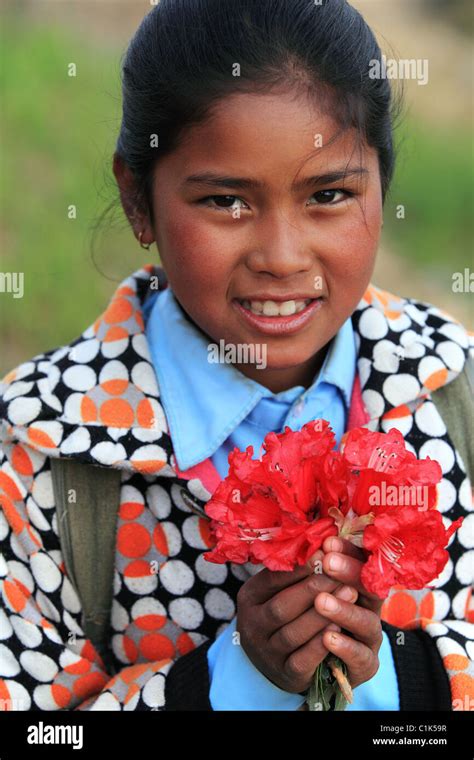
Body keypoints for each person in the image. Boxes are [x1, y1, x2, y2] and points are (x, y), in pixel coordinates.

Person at [0, 0, 472, 712]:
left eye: (331, 195)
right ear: (138, 200)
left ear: (384, 183)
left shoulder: (453, 394)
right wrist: (231, 679)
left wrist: (385, 673)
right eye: (225, 201)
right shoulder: (41, 452)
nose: (282, 258)